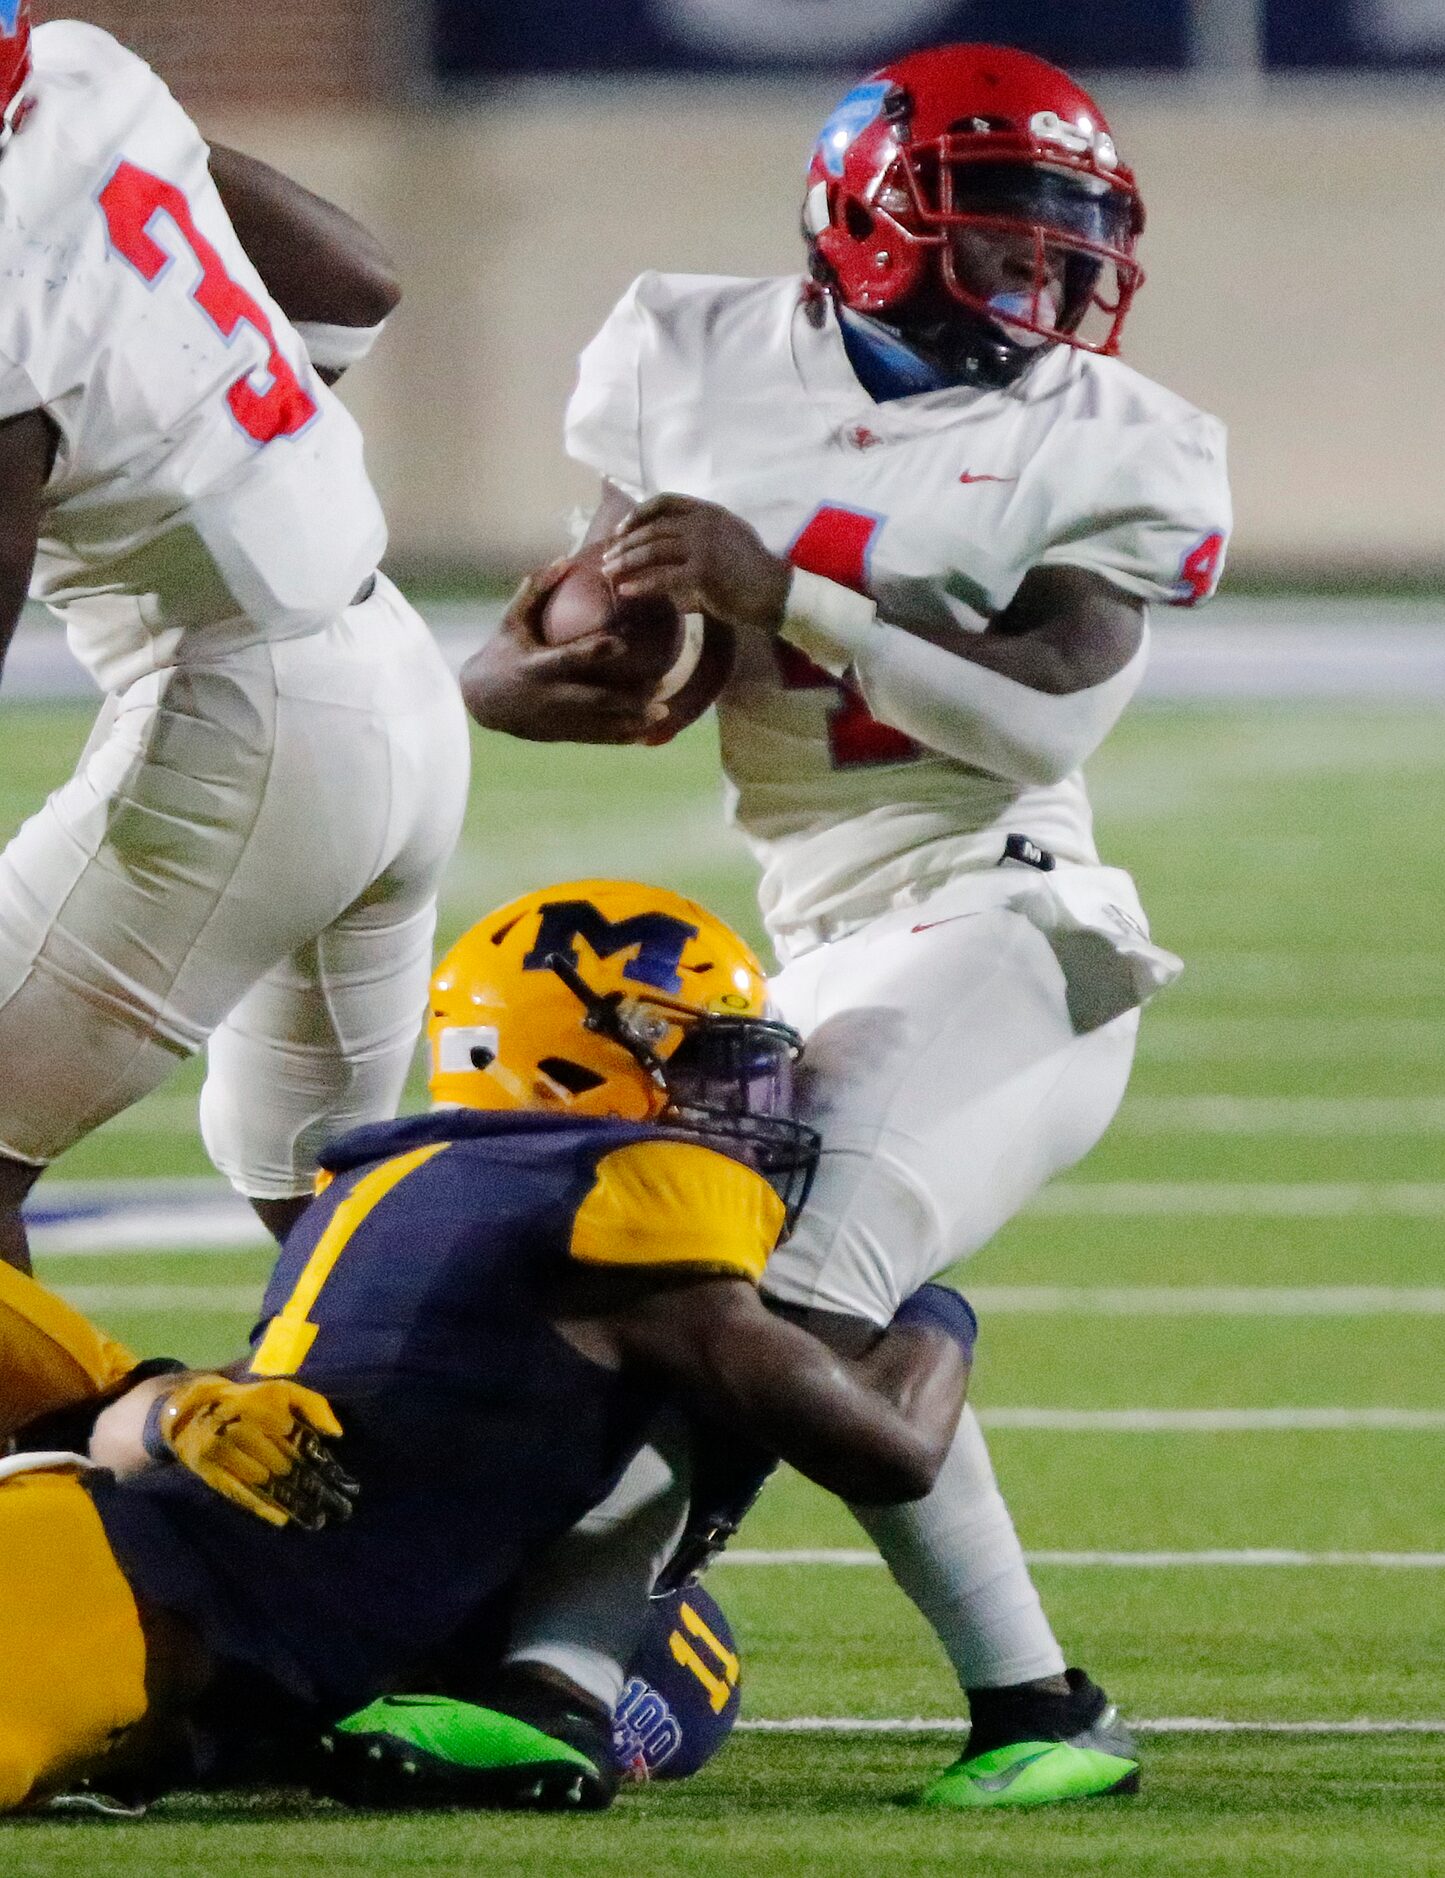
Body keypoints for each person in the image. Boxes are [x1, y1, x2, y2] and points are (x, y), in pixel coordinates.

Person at [460, 43, 1232, 1808]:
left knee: (763, 1285)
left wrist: (785, 588)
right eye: (998, 231)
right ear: (865, 228)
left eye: (1064, 237)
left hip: (1011, 926)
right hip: (815, 940)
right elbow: (584, 622)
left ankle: (554, 1673)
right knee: (797, 1296)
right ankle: (1042, 1711)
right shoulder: (689, 346)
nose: (1041, 276)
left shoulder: (1122, 442)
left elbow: (1043, 713)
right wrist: (541, 663)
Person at [0, 879, 974, 1813]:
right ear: (564, 1066)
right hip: (99, 1599)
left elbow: (137, 1410)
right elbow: (887, 1449)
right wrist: (929, 1304)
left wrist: (175, 1413)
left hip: (129, 1587)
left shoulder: (394, 1183)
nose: (737, 1106)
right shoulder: (618, 1196)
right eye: (701, 1067)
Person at [0, 5, 470, 1269]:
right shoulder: (79, 73)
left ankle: (59, 1456)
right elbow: (354, 290)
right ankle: (511, 1454)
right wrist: (200, 430)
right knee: (329, 1210)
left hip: (244, 723)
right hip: (389, 678)